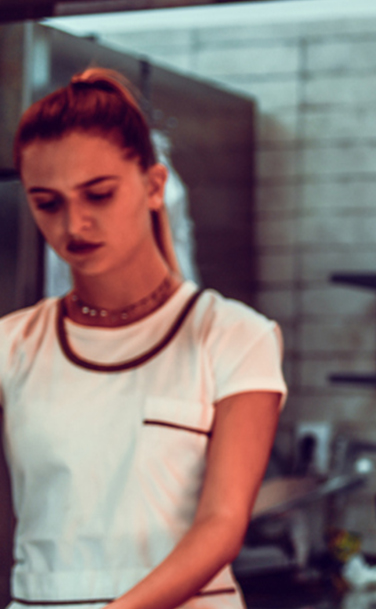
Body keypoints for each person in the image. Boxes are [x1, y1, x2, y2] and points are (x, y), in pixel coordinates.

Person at [0, 69, 285, 608]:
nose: (74, 224)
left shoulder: (234, 336)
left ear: (154, 187)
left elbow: (222, 526)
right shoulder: (12, 346)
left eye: (99, 194)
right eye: (48, 203)